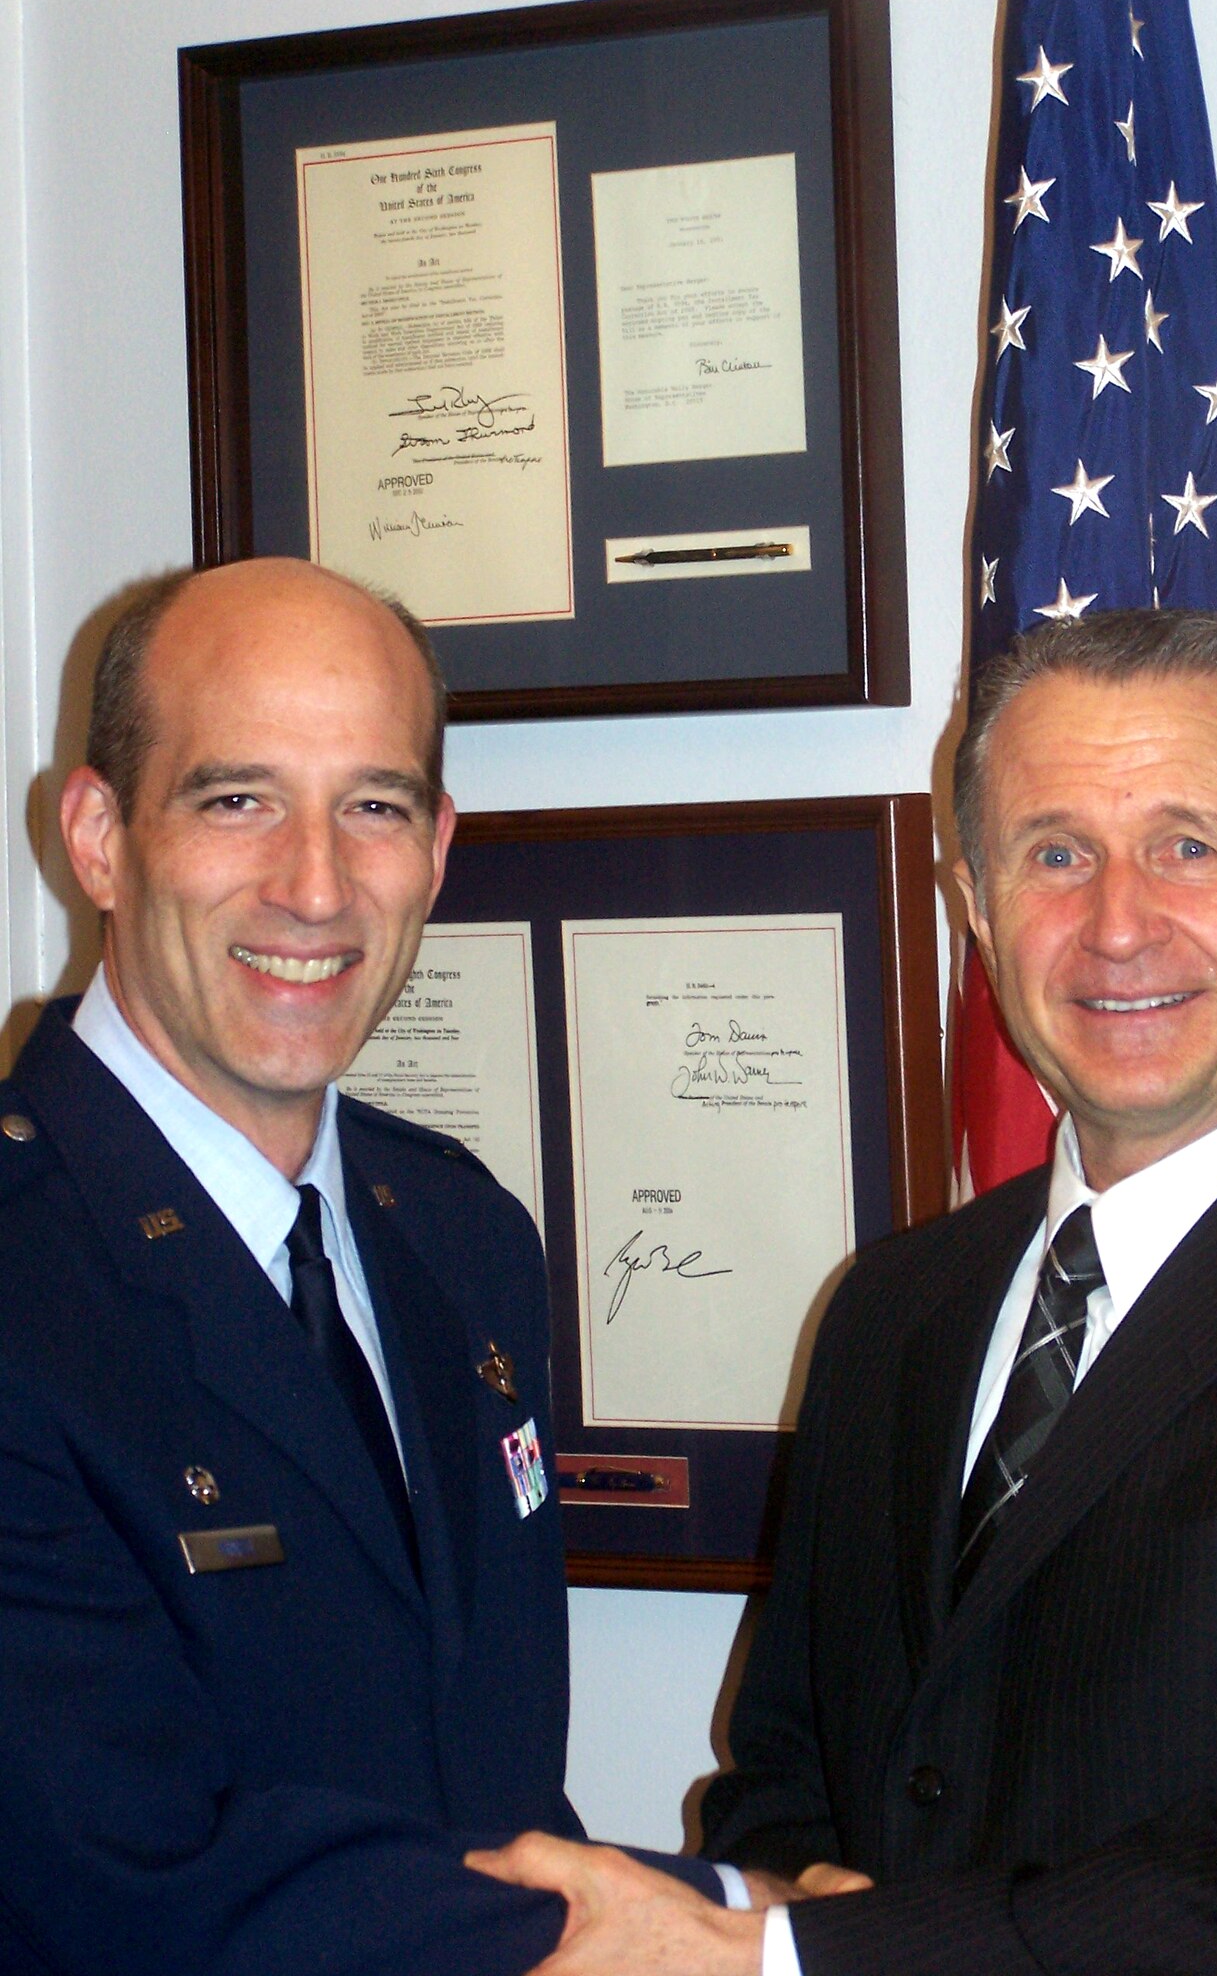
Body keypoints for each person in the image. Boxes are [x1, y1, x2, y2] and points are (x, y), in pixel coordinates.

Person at [469, 607, 1217, 1973]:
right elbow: (787, 1758)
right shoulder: (897, 1305)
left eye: (1188, 846)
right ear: (975, 908)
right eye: (1054, 854)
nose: (1116, 924)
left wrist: (808, 1959)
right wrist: (785, 1893)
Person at [0, 559, 724, 1976]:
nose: (315, 884)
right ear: (98, 836)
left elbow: (486, 1805)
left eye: (374, 807)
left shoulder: (463, 1239)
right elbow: (126, 1881)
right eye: (237, 799)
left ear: (439, 847)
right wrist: (753, 1932)